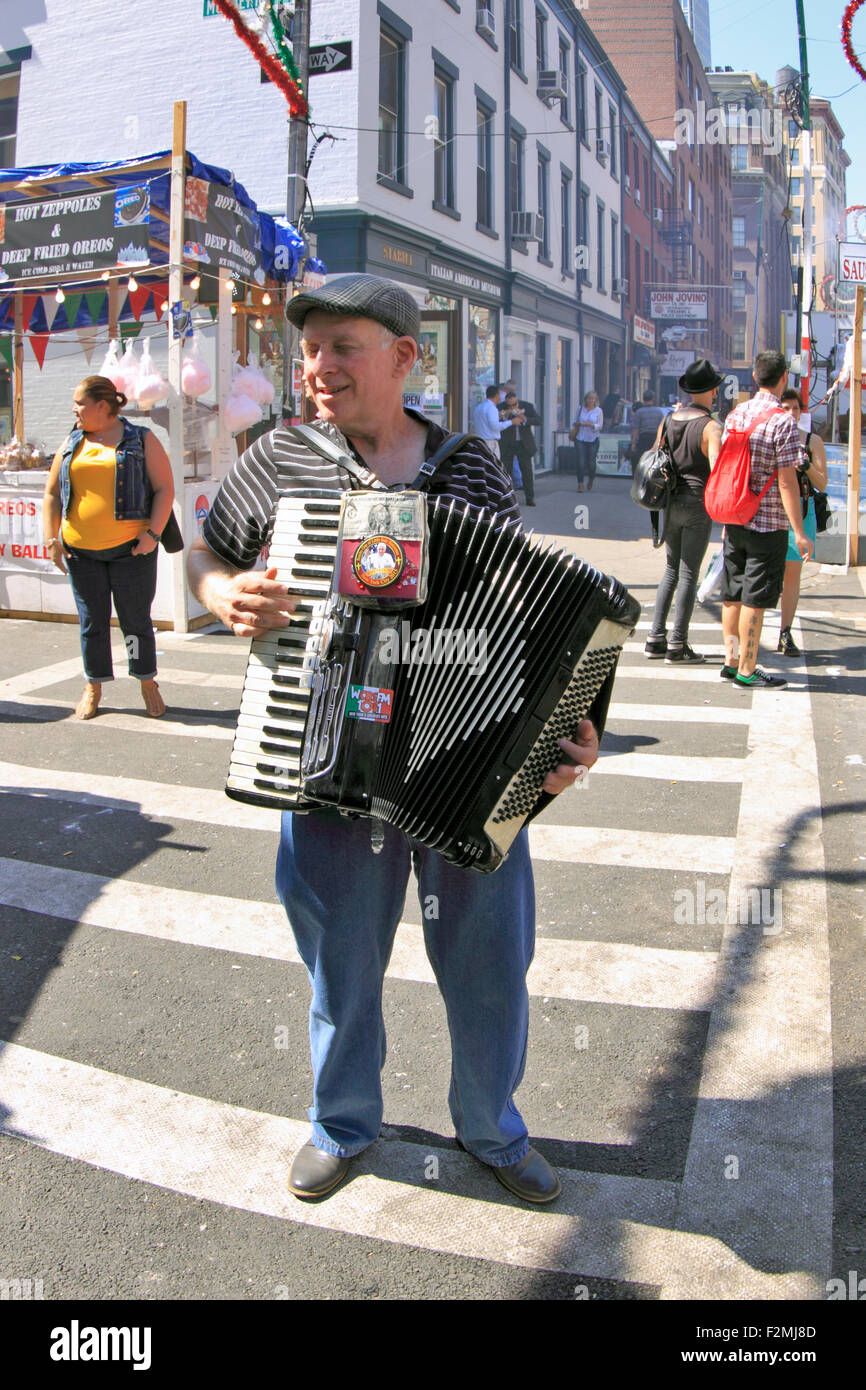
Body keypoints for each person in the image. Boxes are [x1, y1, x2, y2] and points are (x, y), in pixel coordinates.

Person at [187, 273, 599, 1205]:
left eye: (343, 347)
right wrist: (218, 592)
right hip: (322, 755)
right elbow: (204, 546)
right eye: (310, 349)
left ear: (405, 358)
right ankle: (342, 1122)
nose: (318, 367)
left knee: (490, 967)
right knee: (341, 962)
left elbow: (528, 616)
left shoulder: (470, 468)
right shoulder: (278, 461)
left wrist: (562, 740)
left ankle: (491, 1126)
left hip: (464, 764)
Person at [42, 374, 175, 719]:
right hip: (81, 552)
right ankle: (94, 684)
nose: (74, 410)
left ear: (102, 406)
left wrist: (152, 535)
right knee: (92, 623)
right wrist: (52, 539)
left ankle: (146, 680)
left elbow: (164, 489)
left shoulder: (141, 439)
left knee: (135, 622)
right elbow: (52, 493)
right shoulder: (73, 442)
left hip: (131, 552)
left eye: (79, 403)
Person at [718, 351, 814, 689]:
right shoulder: (782, 421)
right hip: (768, 521)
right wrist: (800, 532)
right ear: (784, 377)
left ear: (755, 376)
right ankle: (747, 668)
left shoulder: (735, 414)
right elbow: (787, 481)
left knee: (731, 594)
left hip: (735, 517)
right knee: (755, 598)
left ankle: (731, 661)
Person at [644, 360, 724, 664]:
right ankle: (678, 643)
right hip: (697, 503)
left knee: (671, 570)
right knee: (690, 573)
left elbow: (656, 455)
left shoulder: (669, 420)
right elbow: (717, 470)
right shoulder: (712, 427)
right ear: (712, 391)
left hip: (671, 503)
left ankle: (655, 638)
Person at [776, 388, 828, 657]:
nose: (790, 413)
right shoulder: (770, 437)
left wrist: (805, 465)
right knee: (769, 575)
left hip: (804, 512)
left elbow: (822, 482)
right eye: (785, 407)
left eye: (795, 408)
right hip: (773, 513)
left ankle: (785, 631)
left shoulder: (812, 441)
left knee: (792, 577)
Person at [499, 387, 538, 505]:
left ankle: (530, 497)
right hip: (508, 444)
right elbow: (496, 421)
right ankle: (508, 499)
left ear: (517, 400)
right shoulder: (501, 407)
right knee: (506, 471)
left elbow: (538, 420)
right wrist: (506, 414)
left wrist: (524, 418)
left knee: (526, 471)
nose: (511, 406)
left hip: (523, 443)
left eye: (513, 404)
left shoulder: (527, 406)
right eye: (509, 404)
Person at [471, 383, 516, 461]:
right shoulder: (491, 408)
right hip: (490, 443)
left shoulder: (479, 407)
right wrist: (511, 422)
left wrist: (499, 416)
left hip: (480, 441)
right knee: (493, 466)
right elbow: (495, 426)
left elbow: (483, 422)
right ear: (497, 395)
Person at [569, 391, 603, 492]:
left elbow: (600, 425)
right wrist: (577, 423)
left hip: (592, 439)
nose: (590, 400)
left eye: (593, 399)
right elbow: (574, 421)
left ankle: (591, 479)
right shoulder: (580, 409)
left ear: (596, 400)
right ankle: (580, 484)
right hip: (580, 438)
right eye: (589, 398)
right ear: (586, 399)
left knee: (591, 463)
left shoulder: (598, 411)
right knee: (580, 461)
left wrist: (591, 425)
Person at [629, 391, 666, 475]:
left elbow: (635, 429)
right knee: (654, 460)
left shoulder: (639, 412)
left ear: (643, 399)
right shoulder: (659, 412)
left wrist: (633, 443)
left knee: (641, 460)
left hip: (643, 439)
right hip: (655, 439)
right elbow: (663, 428)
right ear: (653, 399)